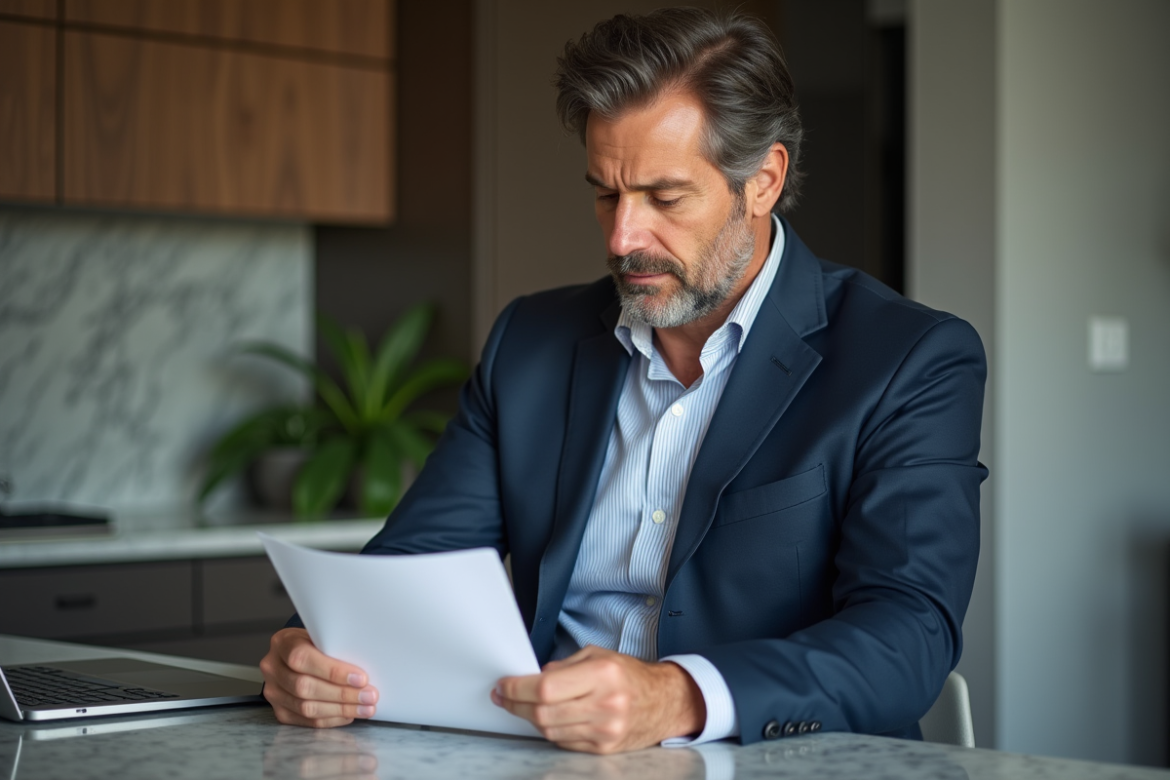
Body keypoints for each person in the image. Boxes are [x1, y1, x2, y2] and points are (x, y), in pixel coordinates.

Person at [259, 8, 986, 755]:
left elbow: (910, 634)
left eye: (663, 198)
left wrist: (678, 697)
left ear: (763, 181)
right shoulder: (530, 343)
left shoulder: (909, 358)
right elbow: (409, 573)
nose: (621, 238)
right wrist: (311, 654)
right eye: (606, 193)